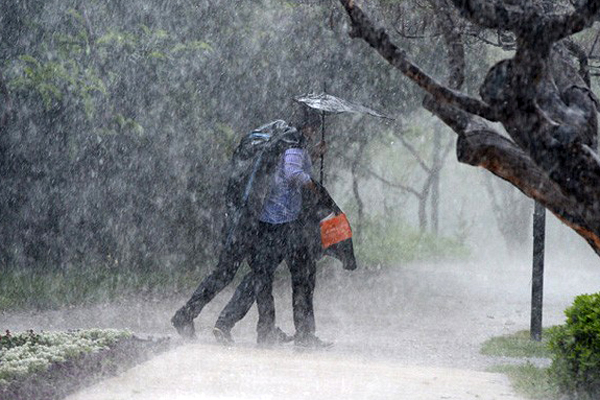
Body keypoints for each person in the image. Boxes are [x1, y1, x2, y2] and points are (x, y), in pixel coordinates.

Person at [170, 111, 324, 345]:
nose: (313, 134)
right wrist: (315, 186)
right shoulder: (293, 143)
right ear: (309, 128)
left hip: (246, 218)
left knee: (254, 275)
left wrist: (312, 155)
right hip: (259, 222)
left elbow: (283, 171)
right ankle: (209, 320)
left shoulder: (280, 140)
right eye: (314, 129)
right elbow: (292, 172)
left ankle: (261, 328)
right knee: (249, 276)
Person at [213, 179, 356, 348]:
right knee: (301, 279)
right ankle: (303, 334)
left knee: (261, 276)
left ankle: (235, 323)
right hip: (293, 231)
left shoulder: (278, 172)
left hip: (275, 228)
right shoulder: (297, 170)